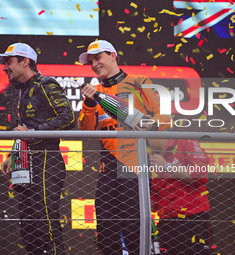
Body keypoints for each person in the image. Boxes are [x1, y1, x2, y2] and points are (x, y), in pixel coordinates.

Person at [78, 40, 170, 254]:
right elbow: (86, 130)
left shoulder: (139, 81)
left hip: (135, 163)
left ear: (112, 55)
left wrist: (141, 124)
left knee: (134, 226)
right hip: (108, 165)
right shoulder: (95, 91)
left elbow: (163, 118)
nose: (94, 64)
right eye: (90, 61)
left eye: (98, 58)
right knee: (106, 227)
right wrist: (90, 104)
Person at [0, 42, 75, 255]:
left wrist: (34, 131)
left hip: (47, 160)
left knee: (45, 222)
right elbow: (24, 129)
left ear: (25, 61)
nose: (4, 68)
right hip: (25, 164)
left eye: (9, 62)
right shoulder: (23, 90)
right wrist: (13, 155)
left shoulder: (45, 84)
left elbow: (68, 119)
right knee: (28, 227)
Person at [149, 139, 211, 255]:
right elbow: (154, 199)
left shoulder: (186, 142)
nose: (146, 140)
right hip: (166, 222)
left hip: (193, 219)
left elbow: (199, 176)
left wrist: (167, 166)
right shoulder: (151, 154)